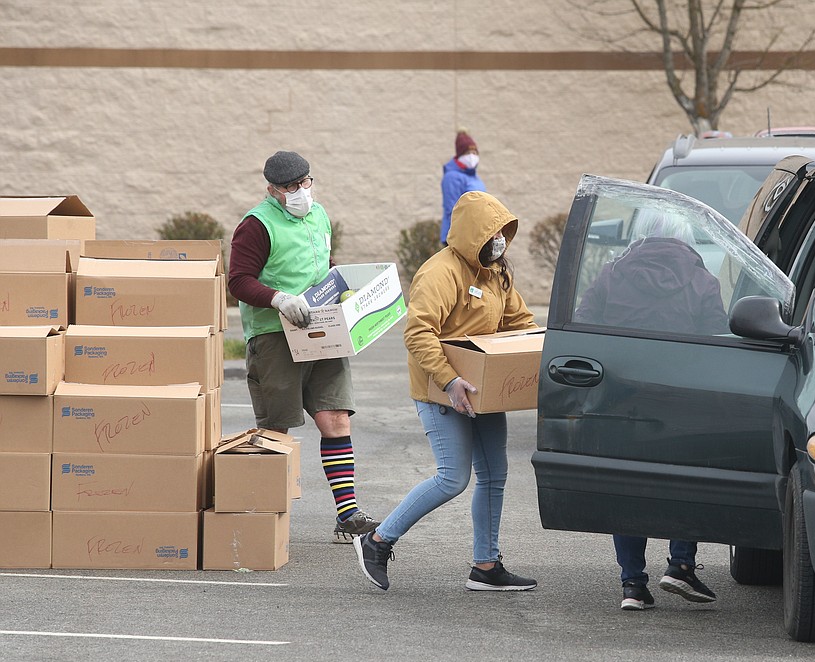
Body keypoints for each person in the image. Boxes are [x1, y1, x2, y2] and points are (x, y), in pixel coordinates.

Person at [354, 190, 539, 593]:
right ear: (474, 235)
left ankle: (486, 567)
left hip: (483, 388)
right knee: (452, 478)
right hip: (441, 390)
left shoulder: (496, 273)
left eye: (503, 234)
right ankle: (377, 540)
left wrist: (533, 348)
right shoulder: (439, 273)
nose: (499, 241)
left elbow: (519, 321)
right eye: (492, 234)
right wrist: (450, 381)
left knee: (494, 475)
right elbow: (419, 333)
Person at [575, 208, 725, 610]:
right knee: (687, 482)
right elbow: (718, 340)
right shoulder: (701, 279)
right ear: (684, 236)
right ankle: (680, 565)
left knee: (627, 488)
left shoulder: (611, 275)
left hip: (621, 398)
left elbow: (584, 325)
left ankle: (632, 586)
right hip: (681, 400)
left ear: (639, 233)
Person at [228, 150, 379, 545]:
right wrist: (278, 298)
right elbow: (238, 280)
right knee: (277, 429)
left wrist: (340, 287)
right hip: (274, 335)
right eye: (290, 187)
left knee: (336, 418)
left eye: (305, 183)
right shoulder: (256, 225)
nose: (300, 192)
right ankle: (265, 517)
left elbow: (323, 262)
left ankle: (347, 514)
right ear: (272, 190)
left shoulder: (319, 213)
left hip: (322, 327)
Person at [440, 128, 485, 245]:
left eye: (475, 153)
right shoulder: (452, 177)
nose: (472, 156)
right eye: (468, 153)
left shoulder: (474, 177)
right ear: (460, 155)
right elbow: (453, 210)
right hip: (459, 237)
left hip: (476, 235)